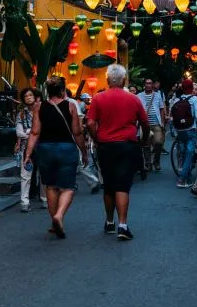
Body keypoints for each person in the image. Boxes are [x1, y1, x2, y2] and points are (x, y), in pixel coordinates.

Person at [85, 64, 149, 241]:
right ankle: (123, 224)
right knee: (123, 185)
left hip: (105, 145)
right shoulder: (134, 99)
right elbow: (145, 122)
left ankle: (110, 221)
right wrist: (142, 140)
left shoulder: (98, 98)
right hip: (127, 145)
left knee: (109, 185)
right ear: (124, 80)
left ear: (107, 80)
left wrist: (96, 138)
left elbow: (90, 123)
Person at [24, 77, 87, 239]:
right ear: (62, 90)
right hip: (66, 148)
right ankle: (59, 215)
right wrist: (84, 152)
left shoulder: (39, 107)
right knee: (68, 187)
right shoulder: (71, 106)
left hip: (45, 149)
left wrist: (28, 154)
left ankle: (54, 221)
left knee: (50, 186)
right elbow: (77, 132)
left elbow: (35, 132)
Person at [15, 87, 45, 212]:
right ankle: (24, 202)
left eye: (30, 95)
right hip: (26, 148)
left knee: (43, 174)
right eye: (26, 96)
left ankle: (44, 199)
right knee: (25, 175)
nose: (28, 98)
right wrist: (33, 133)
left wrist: (31, 132)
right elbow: (19, 132)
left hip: (42, 146)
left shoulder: (42, 111)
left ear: (35, 97)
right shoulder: (21, 114)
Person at [169, 79, 197, 189]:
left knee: (183, 152)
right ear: (191, 88)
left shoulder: (178, 99)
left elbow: (172, 115)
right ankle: (182, 179)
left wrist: (173, 130)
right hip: (190, 129)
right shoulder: (194, 99)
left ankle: (186, 175)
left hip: (180, 130)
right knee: (189, 153)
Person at [138, 78, 167, 175]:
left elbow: (161, 109)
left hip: (156, 123)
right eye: (146, 83)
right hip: (145, 124)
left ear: (152, 85)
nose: (148, 85)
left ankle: (156, 161)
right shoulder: (139, 96)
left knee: (158, 142)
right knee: (146, 144)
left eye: (150, 83)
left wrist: (162, 122)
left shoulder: (158, 95)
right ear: (144, 85)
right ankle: (148, 163)